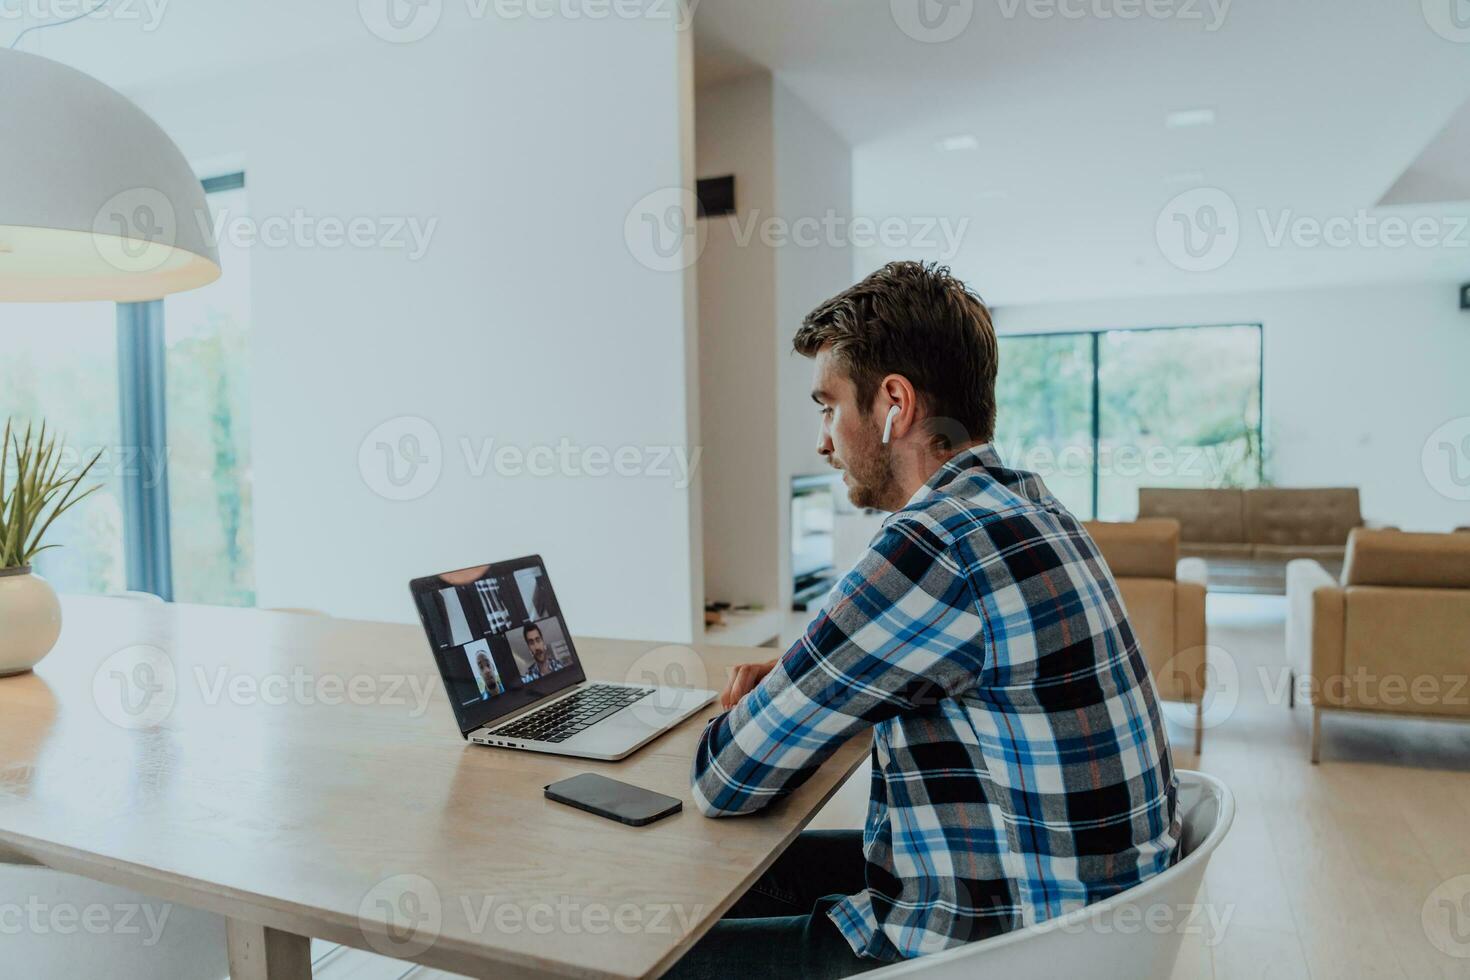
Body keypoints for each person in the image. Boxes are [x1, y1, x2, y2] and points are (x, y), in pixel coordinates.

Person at [671, 262, 1180, 980]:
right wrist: (798, 680)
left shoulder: (932, 542)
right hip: (1084, 929)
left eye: (828, 406)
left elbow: (725, 778)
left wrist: (766, 699)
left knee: (636, 951)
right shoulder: (1032, 507)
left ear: (894, 405)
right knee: (738, 879)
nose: (824, 440)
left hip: (997, 952)